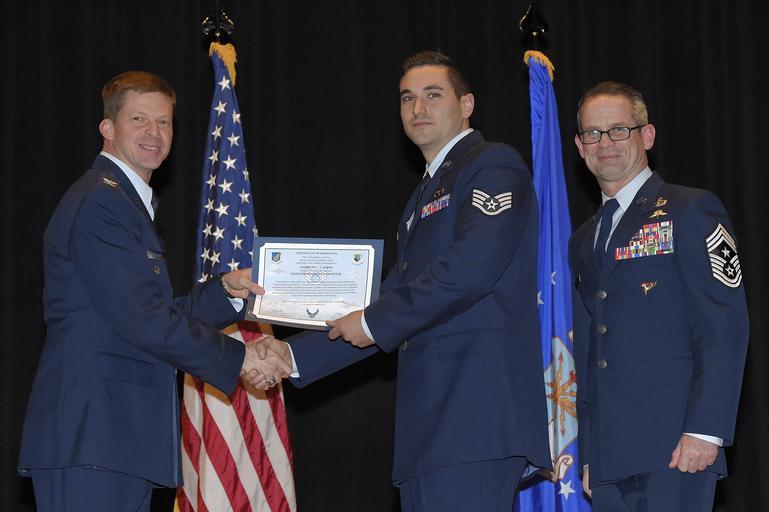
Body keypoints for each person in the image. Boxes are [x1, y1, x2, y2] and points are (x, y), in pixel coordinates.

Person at [259, 50, 551, 511]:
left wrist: (372, 323)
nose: (418, 108)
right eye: (407, 98)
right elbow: (394, 297)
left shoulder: (493, 165)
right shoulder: (422, 197)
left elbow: (470, 270)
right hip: (429, 429)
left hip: (474, 418)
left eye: (433, 95)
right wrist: (292, 356)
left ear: (467, 104)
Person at [18, 71, 291, 511]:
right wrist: (241, 358)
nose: (154, 133)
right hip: (94, 435)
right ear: (108, 128)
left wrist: (225, 292)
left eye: (164, 122)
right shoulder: (101, 202)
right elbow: (143, 318)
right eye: (139, 120)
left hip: (116, 439)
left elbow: (145, 312)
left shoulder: (123, 201)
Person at [569, 81, 749, 511]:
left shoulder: (691, 210)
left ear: (646, 135)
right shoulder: (583, 239)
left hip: (674, 447)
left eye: (618, 130)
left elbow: (723, 326)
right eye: (592, 133)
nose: (605, 143)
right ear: (580, 147)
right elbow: (591, 352)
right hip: (609, 458)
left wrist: (705, 430)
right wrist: (590, 451)